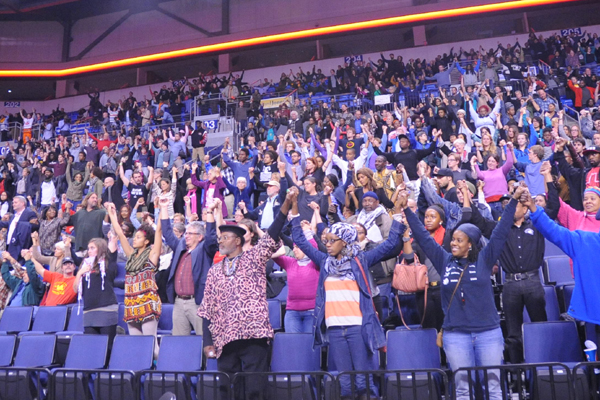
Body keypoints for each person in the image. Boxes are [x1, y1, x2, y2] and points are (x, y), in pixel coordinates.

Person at [402, 185, 525, 400]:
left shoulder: (485, 259)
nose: (453, 243)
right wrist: (406, 211)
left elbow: (501, 230)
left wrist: (513, 200)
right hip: (455, 334)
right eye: (453, 240)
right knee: (462, 389)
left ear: (470, 244)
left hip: (488, 333)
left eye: (459, 240)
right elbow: (423, 237)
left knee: (493, 388)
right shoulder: (444, 259)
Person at [289, 186, 405, 399]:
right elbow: (302, 241)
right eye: (326, 241)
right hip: (335, 328)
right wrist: (294, 207)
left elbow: (390, 245)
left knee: (363, 381)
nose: (328, 244)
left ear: (345, 242)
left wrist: (397, 212)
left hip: (359, 327)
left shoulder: (360, 260)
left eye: (333, 240)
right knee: (343, 382)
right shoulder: (324, 262)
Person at [198, 185, 292, 400]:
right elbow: (207, 310)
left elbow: (273, 234)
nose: (220, 241)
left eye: (225, 237)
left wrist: (285, 205)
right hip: (224, 337)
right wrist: (207, 342)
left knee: (254, 390)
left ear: (238, 241)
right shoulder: (214, 270)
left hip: (254, 335)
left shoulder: (254, 259)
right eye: (220, 238)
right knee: (227, 390)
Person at [106, 199, 163, 356]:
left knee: (151, 345)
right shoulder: (131, 255)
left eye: (138, 237)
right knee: (138, 347)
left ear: (146, 241)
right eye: (135, 236)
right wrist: (112, 215)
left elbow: (158, 232)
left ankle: (160, 374)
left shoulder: (151, 255)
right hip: (131, 303)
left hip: (147, 302)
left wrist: (160, 208)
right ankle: (142, 377)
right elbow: (120, 234)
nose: (135, 239)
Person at [162, 199, 219, 335]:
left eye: (189, 234)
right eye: (186, 233)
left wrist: (210, 211)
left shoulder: (205, 249)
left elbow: (211, 237)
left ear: (199, 237)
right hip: (179, 302)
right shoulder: (180, 247)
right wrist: (164, 207)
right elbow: (167, 233)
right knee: (179, 342)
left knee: (204, 340)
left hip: (197, 302)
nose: (185, 236)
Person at [72, 237, 119, 348]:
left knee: (107, 347)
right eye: (88, 248)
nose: (89, 251)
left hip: (106, 310)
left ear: (101, 249)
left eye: (92, 248)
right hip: (89, 311)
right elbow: (75, 289)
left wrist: (113, 235)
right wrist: (79, 273)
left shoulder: (108, 263)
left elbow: (112, 248)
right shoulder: (84, 267)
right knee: (92, 348)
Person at [0, 196, 37, 261]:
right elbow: (9, 224)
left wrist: (20, 224)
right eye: (13, 202)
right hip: (10, 244)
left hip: (21, 246)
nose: (13, 204)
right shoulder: (14, 215)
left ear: (22, 203)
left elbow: (36, 226)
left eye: (15, 202)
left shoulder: (29, 213)